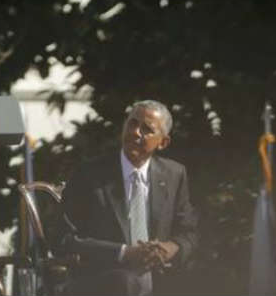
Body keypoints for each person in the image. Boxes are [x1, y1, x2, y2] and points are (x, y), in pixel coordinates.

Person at [53, 100, 198, 295]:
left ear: (163, 142)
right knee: (127, 281)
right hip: (103, 278)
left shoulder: (174, 174)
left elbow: (189, 232)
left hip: (159, 277)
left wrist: (171, 248)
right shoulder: (90, 174)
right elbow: (63, 238)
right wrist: (123, 253)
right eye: (132, 123)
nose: (136, 132)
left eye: (147, 129)